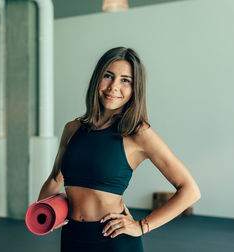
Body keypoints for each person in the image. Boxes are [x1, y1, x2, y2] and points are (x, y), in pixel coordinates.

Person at [37, 47, 201, 252]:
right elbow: (55, 179)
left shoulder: (139, 133)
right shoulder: (72, 128)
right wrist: (43, 212)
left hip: (113, 240)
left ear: (135, 89)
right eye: (108, 76)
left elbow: (190, 190)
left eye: (125, 80)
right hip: (72, 237)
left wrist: (142, 226)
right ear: (97, 79)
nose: (114, 86)